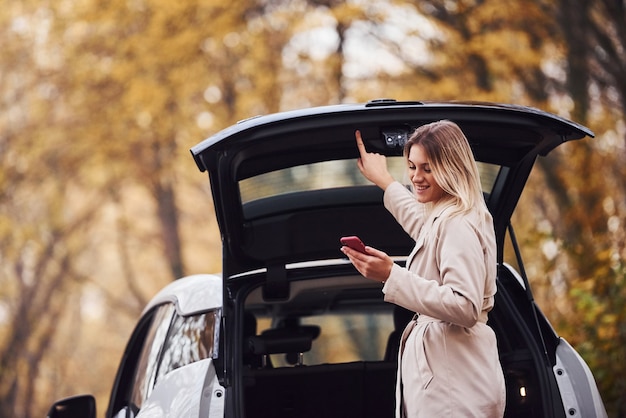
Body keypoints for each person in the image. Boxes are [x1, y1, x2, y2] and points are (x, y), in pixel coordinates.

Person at [341, 120, 506, 417]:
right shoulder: (449, 217)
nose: (416, 177)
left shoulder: (457, 222)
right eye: (412, 166)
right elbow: (422, 224)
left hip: (456, 385)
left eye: (427, 169)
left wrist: (392, 275)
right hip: (455, 380)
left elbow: (465, 305)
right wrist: (386, 181)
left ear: (452, 168)